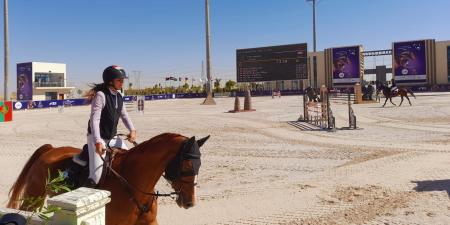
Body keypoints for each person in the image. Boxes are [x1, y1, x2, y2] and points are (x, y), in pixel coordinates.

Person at [84, 65, 137, 187]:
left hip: (112, 137)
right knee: (96, 176)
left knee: (129, 160)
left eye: (123, 80)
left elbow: (124, 115)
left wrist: (132, 130)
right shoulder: (101, 96)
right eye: (119, 80)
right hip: (97, 137)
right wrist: (97, 141)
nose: (122, 82)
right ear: (110, 81)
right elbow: (94, 120)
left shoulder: (119, 96)